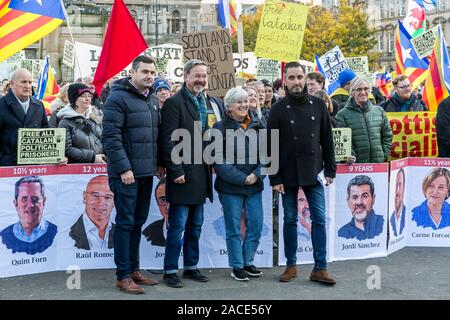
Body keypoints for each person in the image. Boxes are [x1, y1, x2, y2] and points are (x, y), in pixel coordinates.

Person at [267, 61, 336, 285]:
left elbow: (327, 138)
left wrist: (330, 169)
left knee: (319, 219)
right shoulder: (277, 108)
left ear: (305, 78)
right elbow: (270, 145)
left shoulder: (318, 105)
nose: (296, 82)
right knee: (289, 219)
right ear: (285, 81)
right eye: (292, 78)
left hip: (314, 171)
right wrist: (275, 177)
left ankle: (320, 267)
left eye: (299, 77)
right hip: (287, 174)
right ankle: (291, 265)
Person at [102, 55, 162, 294]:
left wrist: (158, 163)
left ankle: (134, 268)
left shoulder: (152, 100)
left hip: (146, 173)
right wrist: (124, 168)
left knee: (138, 222)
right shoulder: (117, 98)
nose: (149, 76)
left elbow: (153, 137)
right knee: (126, 223)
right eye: (145, 72)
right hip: (126, 175)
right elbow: (111, 138)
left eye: (152, 73)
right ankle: (123, 275)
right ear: (132, 73)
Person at [160, 59, 213, 288]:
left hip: (201, 173)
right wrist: (176, 170)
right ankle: (170, 269)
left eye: (204, 76)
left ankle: (191, 266)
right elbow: (167, 139)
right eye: (197, 76)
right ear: (186, 77)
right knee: (178, 225)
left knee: (196, 224)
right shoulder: (174, 103)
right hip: (182, 174)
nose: (201, 80)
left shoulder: (207, 103)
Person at [212, 87, 265, 282]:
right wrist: (242, 178)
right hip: (231, 188)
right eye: (238, 102)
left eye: (245, 101)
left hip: (254, 187)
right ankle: (237, 266)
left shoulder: (258, 126)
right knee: (233, 228)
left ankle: (248, 261)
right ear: (228, 107)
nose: (243, 105)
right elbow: (219, 160)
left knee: (256, 225)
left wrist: (257, 175)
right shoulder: (219, 128)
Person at [335, 77, 393, 164]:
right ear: (352, 92)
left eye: (366, 89)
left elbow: (387, 135)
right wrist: (349, 157)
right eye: (359, 89)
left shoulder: (379, 111)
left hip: (378, 165)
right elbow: (342, 142)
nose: (363, 92)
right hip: (355, 167)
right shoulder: (342, 115)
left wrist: (383, 155)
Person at [0, 69, 49, 166]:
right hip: (8, 167)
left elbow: (46, 133)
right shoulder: (2, 105)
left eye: (30, 82)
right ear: (12, 84)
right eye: (23, 82)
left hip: (33, 165)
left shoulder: (39, 105)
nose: (27, 86)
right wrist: (3, 161)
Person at [0, 176, 57, 255]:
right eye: (24, 199)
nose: (30, 205)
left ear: (43, 201)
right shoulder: (3, 237)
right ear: (15, 203)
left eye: (35, 199)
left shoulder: (56, 233)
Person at [58, 83, 105, 164]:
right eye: (83, 96)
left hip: (101, 166)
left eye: (89, 96)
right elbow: (67, 149)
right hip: (79, 171)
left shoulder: (96, 117)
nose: (88, 99)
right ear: (74, 99)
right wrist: (92, 157)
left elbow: (105, 139)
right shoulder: (65, 123)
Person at [69, 175, 115, 250]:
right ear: (84, 197)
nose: (101, 203)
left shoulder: (121, 232)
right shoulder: (68, 233)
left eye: (108, 197)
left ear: (114, 201)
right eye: (95, 195)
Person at [338, 175, 384, 240]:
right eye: (355, 197)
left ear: (373, 199)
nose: (359, 202)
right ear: (348, 201)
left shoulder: (383, 224)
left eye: (364, 196)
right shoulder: (342, 232)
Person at [142, 178, 169, 247]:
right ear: (157, 204)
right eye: (163, 200)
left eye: (174, 198)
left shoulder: (194, 228)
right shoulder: (148, 233)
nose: (168, 207)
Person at [390, 169, 406, 237]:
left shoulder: (410, 215)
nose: (397, 191)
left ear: (404, 188)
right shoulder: (390, 218)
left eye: (400, 185)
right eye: (396, 185)